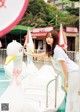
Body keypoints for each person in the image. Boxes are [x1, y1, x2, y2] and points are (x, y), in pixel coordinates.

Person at [23, 29, 80, 112]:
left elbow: (64, 65)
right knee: (71, 94)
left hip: (73, 72)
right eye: (47, 37)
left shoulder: (57, 50)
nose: (48, 39)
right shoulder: (51, 50)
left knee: (72, 95)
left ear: (55, 39)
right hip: (69, 73)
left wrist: (66, 79)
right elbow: (40, 55)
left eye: (51, 37)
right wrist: (27, 53)